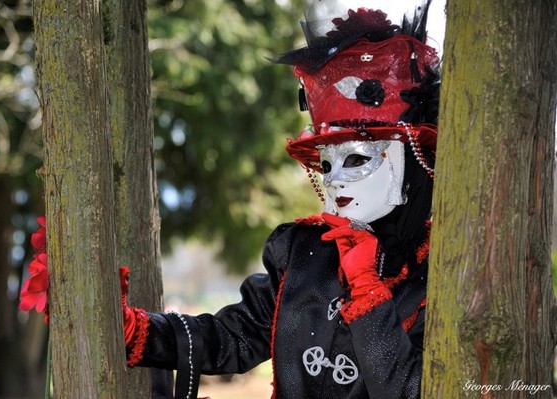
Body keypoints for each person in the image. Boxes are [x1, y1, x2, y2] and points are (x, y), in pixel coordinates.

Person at [122, 1, 440, 398]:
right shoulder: (304, 252)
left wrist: (367, 288)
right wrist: (139, 331)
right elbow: (231, 337)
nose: (335, 180)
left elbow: (412, 390)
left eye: (357, 158)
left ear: (412, 163)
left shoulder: (442, 274)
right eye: (325, 164)